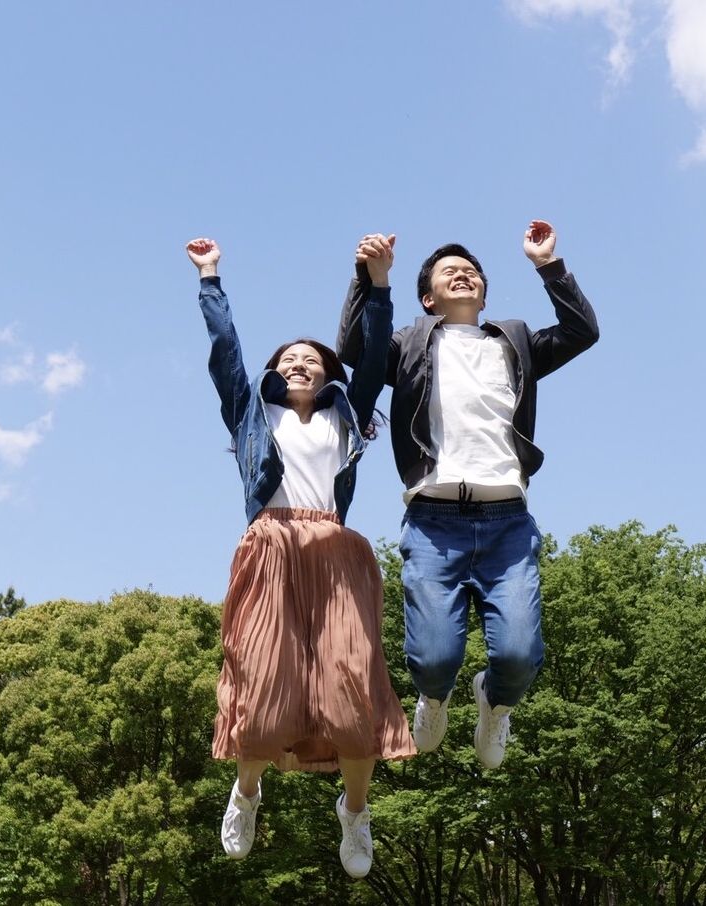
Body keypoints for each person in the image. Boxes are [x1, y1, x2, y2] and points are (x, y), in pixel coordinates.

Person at [187, 235, 414, 878]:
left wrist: (379, 283)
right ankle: (247, 793)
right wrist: (210, 279)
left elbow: (373, 353)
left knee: (352, 693)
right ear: (274, 373)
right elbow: (226, 354)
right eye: (288, 359)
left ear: (326, 375)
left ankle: (355, 812)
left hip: (335, 549)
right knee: (262, 686)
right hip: (271, 546)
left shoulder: (348, 416)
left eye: (311, 360)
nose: (299, 365)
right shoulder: (251, 413)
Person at [336, 220, 599, 770]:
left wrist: (548, 265)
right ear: (428, 298)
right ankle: (433, 698)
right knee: (433, 658)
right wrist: (369, 279)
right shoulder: (409, 345)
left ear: (483, 293)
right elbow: (355, 349)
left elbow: (581, 331)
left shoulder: (515, 342)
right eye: (449, 271)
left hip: (507, 521)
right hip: (434, 522)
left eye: (472, 271)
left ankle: (494, 703)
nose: (463, 274)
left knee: (520, 655)